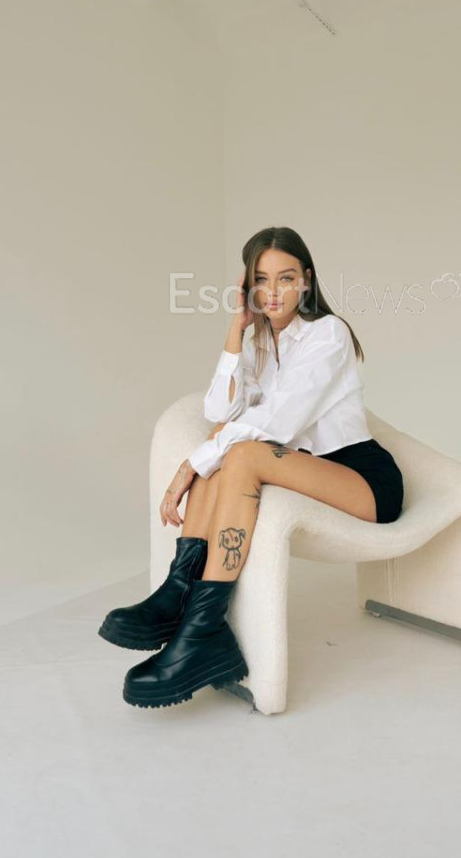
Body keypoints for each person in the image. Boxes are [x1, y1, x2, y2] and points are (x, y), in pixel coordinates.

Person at [98, 225, 404, 709]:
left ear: (307, 280)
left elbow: (280, 422)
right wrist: (236, 330)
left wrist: (189, 467)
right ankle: (182, 598)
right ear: (247, 286)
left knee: (235, 451)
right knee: (226, 446)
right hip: (305, 470)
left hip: (363, 480)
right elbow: (219, 411)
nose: (274, 292)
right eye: (261, 280)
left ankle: (201, 628)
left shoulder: (328, 334)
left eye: (286, 278)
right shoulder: (261, 342)